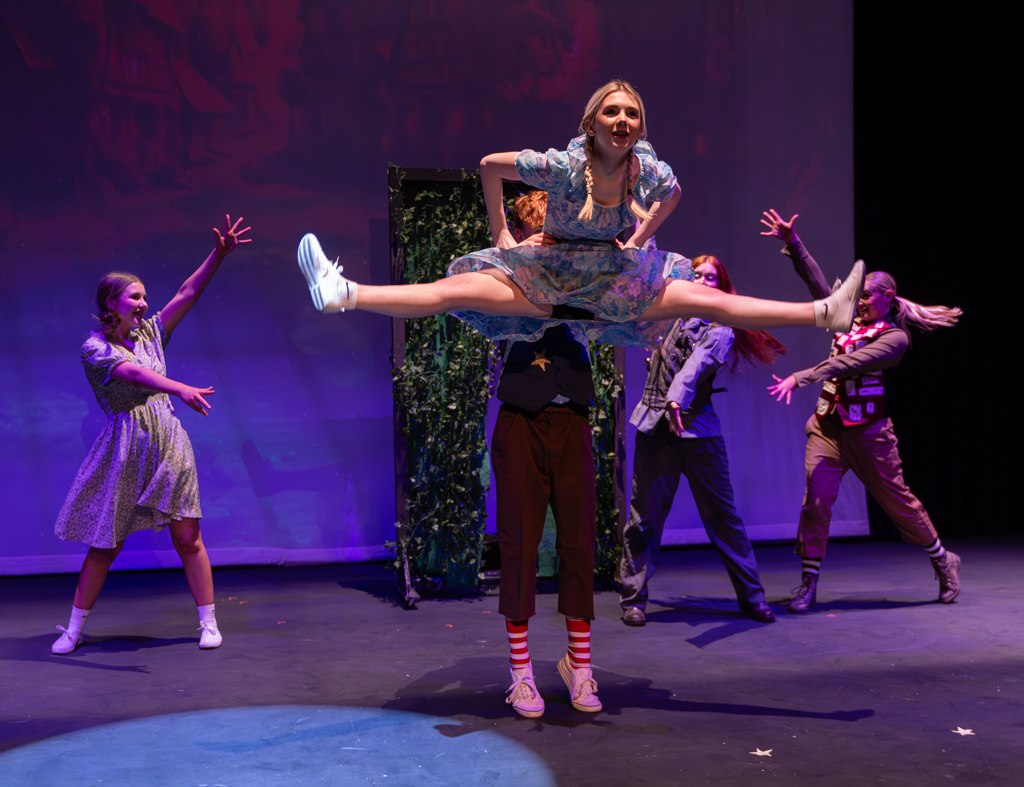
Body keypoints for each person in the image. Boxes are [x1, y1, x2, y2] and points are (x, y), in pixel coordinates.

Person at [295, 80, 865, 346]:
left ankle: (826, 314)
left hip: (619, 279)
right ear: (592, 122)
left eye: (632, 114)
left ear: (640, 127)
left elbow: (676, 193)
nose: (623, 121)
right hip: (545, 274)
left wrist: (640, 240)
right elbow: (490, 165)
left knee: (714, 302)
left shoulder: (646, 168)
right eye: (612, 112)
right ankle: (342, 292)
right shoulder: (561, 168)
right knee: (455, 290)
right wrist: (501, 235)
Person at [51, 215, 251, 654]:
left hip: (168, 443)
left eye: (144, 297)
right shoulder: (95, 349)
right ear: (111, 303)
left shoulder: (151, 334)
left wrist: (218, 255)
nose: (143, 304)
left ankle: (209, 623)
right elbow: (133, 375)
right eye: (134, 297)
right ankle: (73, 629)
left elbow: (187, 293)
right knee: (106, 544)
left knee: (188, 537)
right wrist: (178, 386)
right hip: (125, 446)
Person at [762, 210, 962, 612]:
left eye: (868, 296)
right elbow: (819, 288)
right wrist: (794, 243)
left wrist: (800, 377)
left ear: (888, 298)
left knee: (898, 503)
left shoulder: (895, 339)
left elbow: (847, 364)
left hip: (870, 433)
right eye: (860, 295)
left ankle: (943, 560)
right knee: (815, 502)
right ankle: (808, 583)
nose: (861, 300)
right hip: (827, 429)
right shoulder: (847, 319)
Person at [619, 254, 784, 627]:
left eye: (710, 277)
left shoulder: (721, 326)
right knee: (643, 518)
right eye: (696, 274)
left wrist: (677, 396)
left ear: (720, 286)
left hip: (698, 433)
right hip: (655, 428)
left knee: (723, 518)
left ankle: (752, 597)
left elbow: (699, 364)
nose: (702, 281)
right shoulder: (668, 315)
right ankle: (633, 598)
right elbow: (638, 320)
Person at [493, 191, 601, 718]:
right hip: (520, 420)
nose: (553, 243)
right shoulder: (507, 270)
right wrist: (520, 256)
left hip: (571, 418)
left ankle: (579, 667)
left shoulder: (588, 273)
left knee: (579, 541)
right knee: (518, 544)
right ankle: (520, 674)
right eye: (545, 233)